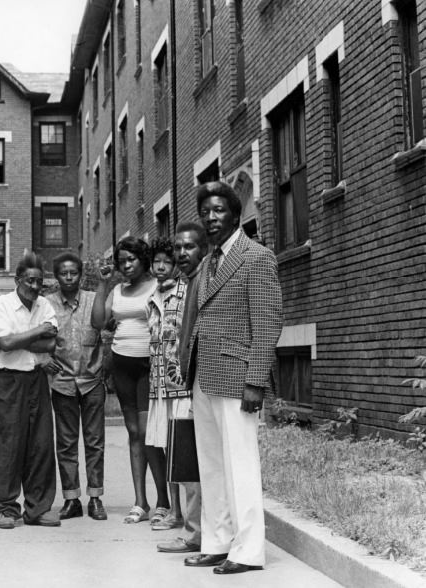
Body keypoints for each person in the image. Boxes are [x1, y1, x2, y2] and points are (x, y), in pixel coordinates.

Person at [184, 181, 282, 575]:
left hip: (238, 376)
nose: (210, 217)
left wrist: (256, 380)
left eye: (219, 210)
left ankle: (247, 550)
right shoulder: (208, 261)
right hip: (204, 376)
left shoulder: (256, 257)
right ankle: (218, 540)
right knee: (212, 465)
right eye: (205, 211)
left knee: (240, 465)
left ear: (236, 215)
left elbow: (268, 321)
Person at [92, 236, 170, 525]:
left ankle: (163, 500)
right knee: (134, 434)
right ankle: (141, 502)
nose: (125, 265)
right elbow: (99, 321)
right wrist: (102, 284)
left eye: (130, 260)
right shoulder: (117, 290)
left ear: (143, 259)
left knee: (149, 433)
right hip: (122, 365)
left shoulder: (157, 285)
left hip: (149, 365)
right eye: (121, 261)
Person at [0, 253, 59, 530]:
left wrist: (23, 340)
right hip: (8, 382)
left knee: (40, 445)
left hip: (36, 380)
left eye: (39, 281)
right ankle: (6, 508)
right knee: (8, 445)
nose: (35, 286)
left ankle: (38, 508)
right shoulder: (1, 304)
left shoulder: (45, 305)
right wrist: (37, 332)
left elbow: (51, 345)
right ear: (17, 281)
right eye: (30, 281)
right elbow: (3, 342)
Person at [155, 222, 208, 554]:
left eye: (188, 247)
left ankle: (199, 532)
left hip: (202, 384)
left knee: (197, 463)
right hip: (181, 385)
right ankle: (195, 530)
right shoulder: (181, 285)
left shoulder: (201, 282)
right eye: (177, 248)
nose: (180, 253)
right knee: (188, 462)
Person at [44, 252, 107, 521]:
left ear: (81, 275)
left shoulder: (94, 299)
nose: (69, 278)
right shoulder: (46, 304)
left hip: (91, 381)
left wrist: (105, 284)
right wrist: (43, 358)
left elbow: (103, 324)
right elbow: (38, 335)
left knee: (95, 442)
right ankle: (72, 499)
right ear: (56, 276)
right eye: (63, 273)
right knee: (66, 444)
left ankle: (95, 498)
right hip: (62, 384)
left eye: (74, 273)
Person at [144, 238, 189, 532]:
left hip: (180, 384)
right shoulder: (151, 298)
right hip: (158, 385)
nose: (161, 267)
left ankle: (187, 513)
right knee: (164, 446)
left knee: (182, 448)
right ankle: (174, 510)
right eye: (156, 261)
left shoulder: (185, 293)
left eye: (166, 262)